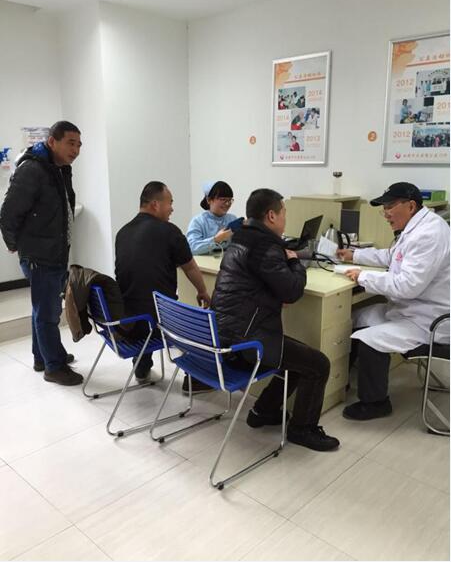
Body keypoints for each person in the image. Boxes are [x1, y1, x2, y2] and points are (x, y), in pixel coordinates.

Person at [211, 188, 340, 451]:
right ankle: (302, 429)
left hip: (222, 334)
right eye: (284, 213)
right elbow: (292, 291)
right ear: (271, 216)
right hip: (245, 343)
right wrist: (294, 262)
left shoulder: (240, 237)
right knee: (318, 364)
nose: (285, 219)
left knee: (294, 356)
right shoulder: (266, 247)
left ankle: (262, 411)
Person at [337, 182, 450, 421]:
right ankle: (341, 383)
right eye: (384, 208)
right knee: (355, 317)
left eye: (390, 206)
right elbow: (393, 256)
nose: (386, 213)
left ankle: (376, 402)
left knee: (368, 339)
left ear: (411, 206)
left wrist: (363, 276)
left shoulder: (429, 234)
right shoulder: (416, 228)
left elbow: (407, 286)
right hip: (413, 309)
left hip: (429, 321)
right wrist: (355, 255)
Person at [0, 121, 83, 386]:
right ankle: (54, 366)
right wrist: (13, 243)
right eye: (70, 143)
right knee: (48, 312)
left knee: (43, 307)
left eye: (79, 145)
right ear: (52, 142)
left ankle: (42, 356)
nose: (76, 150)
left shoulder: (58, 169)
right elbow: (9, 211)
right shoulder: (33, 169)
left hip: (52, 251)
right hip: (40, 253)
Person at [115, 181, 212, 393]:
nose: (172, 209)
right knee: (199, 322)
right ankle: (195, 380)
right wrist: (203, 291)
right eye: (170, 203)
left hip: (126, 322)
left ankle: (141, 367)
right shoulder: (169, 232)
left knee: (146, 300)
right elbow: (190, 267)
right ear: (155, 205)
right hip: (157, 324)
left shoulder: (122, 233)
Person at [186, 181, 236, 255]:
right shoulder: (198, 221)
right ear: (209, 200)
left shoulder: (232, 219)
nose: (227, 203)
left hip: (227, 261)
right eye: (223, 199)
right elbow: (192, 248)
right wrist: (216, 239)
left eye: (230, 200)